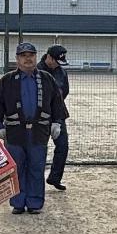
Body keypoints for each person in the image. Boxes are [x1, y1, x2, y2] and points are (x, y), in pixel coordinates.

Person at [0, 41, 67, 215]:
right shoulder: (7, 81)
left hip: (39, 132)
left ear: (36, 57)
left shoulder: (47, 79)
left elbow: (57, 103)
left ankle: (35, 203)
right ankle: (17, 202)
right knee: (16, 168)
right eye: (23, 56)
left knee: (36, 167)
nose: (27, 59)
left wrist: (57, 122)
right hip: (14, 133)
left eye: (31, 55)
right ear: (17, 59)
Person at [42, 44, 71, 191]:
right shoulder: (36, 70)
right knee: (39, 149)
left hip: (58, 114)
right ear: (49, 57)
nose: (57, 65)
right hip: (40, 116)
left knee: (63, 146)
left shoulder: (61, 72)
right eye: (56, 61)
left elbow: (64, 91)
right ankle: (35, 181)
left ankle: (55, 177)